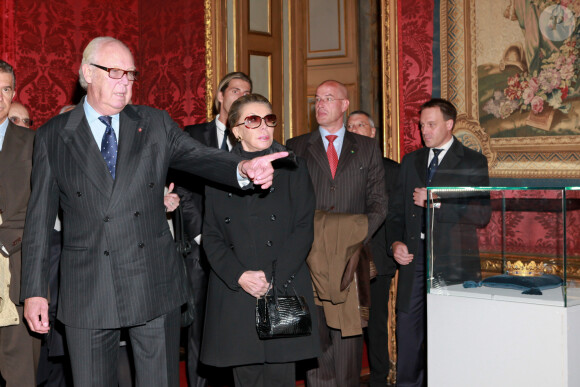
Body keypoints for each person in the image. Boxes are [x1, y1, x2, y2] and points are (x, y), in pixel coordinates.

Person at [20, 36, 286, 387]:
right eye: (115, 72)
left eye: (130, 74)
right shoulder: (54, 135)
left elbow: (201, 157)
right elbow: (38, 219)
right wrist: (35, 290)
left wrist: (242, 169)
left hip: (152, 283)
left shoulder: (154, 124)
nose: (125, 83)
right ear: (87, 73)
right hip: (87, 287)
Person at [200, 93, 321, 387]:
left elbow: (304, 227)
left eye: (270, 119)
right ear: (236, 129)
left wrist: (272, 279)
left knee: (280, 378)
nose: (264, 126)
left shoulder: (294, 167)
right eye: (253, 120)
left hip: (281, 286)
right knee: (247, 378)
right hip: (237, 290)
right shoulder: (219, 171)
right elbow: (212, 235)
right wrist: (239, 275)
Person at [286, 80, 387, 387]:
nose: (321, 104)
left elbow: (379, 204)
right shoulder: (296, 146)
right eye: (317, 99)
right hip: (309, 258)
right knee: (317, 344)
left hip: (350, 258)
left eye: (329, 98)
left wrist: (352, 239)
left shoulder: (367, 147)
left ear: (344, 105)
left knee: (347, 344)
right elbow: (289, 202)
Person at [385, 98, 491, 387]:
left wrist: (436, 200)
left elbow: (481, 214)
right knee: (407, 335)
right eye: (421, 125)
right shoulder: (411, 161)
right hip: (414, 261)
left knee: (450, 334)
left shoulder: (472, 161)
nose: (424, 131)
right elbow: (394, 213)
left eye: (431, 125)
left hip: (452, 263)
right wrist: (395, 243)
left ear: (449, 125)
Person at [171, 71, 252, 387]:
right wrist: (206, 238)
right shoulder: (192, 135)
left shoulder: (252, 139)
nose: (241, 97)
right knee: (199, 332)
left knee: (237, 329)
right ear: (220, 97)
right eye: (235, 90)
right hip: (200, 252)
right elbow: (184, 192)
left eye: (247, 92)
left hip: (242, 255)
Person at [346, 110, 399, 387]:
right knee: (345, 325)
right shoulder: (338, 169)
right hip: (344, 259)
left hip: (378, 259)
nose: (354, 129)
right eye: (350, 125)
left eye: (360, 125)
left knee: (376, 325)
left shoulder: (392, 170)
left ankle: (379, 379)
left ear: (372, 132)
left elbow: (397, 217)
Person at [0, 60, 39, 386]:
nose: (0, 97)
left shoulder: (32, 144)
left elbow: (41, 212)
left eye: (7, 89)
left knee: (20, 375)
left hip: (16, 272)